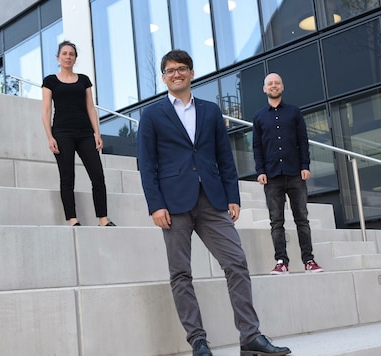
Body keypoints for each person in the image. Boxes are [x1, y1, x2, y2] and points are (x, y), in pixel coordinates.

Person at [138, 50, 291, 356]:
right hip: (173, 203)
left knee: (236, 262)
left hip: (212, 200)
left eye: (182, 69)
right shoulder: (152, 115)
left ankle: (250, 337)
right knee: (181, 273)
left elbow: (224, 157)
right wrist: (155, 205)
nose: (177, 74)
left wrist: (232, 196)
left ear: (191, 73)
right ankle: (198, 340)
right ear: (164, 77)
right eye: (170, 70)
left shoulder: (210, 110)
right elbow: (147, 163)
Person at [252, 72, 324, 275]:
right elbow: (257, 147)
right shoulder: (258, 117)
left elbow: (303, 141)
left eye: (277, 83)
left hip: (295, 174)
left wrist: (305, 165)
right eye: (270, 83)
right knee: (276, 222)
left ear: (282, 87)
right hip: (272, 176)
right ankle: (281, 261)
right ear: (264, 89)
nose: (273, 86)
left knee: (302, 218)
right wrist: (260, 171)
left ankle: (309, 261)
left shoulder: (294, 112)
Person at [41, 40, 115, 227]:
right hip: (62, 133)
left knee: (97, 174)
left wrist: (97, 133)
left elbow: (90, 108)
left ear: (75, 58)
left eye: (71, 54)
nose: (68, 57)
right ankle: (73, 219)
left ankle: (103, 219)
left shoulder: (83, 80)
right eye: (64, 53)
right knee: (67, 176)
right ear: (58, 58)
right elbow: (46, 110)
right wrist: (50, 137)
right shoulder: (50, 81)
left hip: (85, 133)